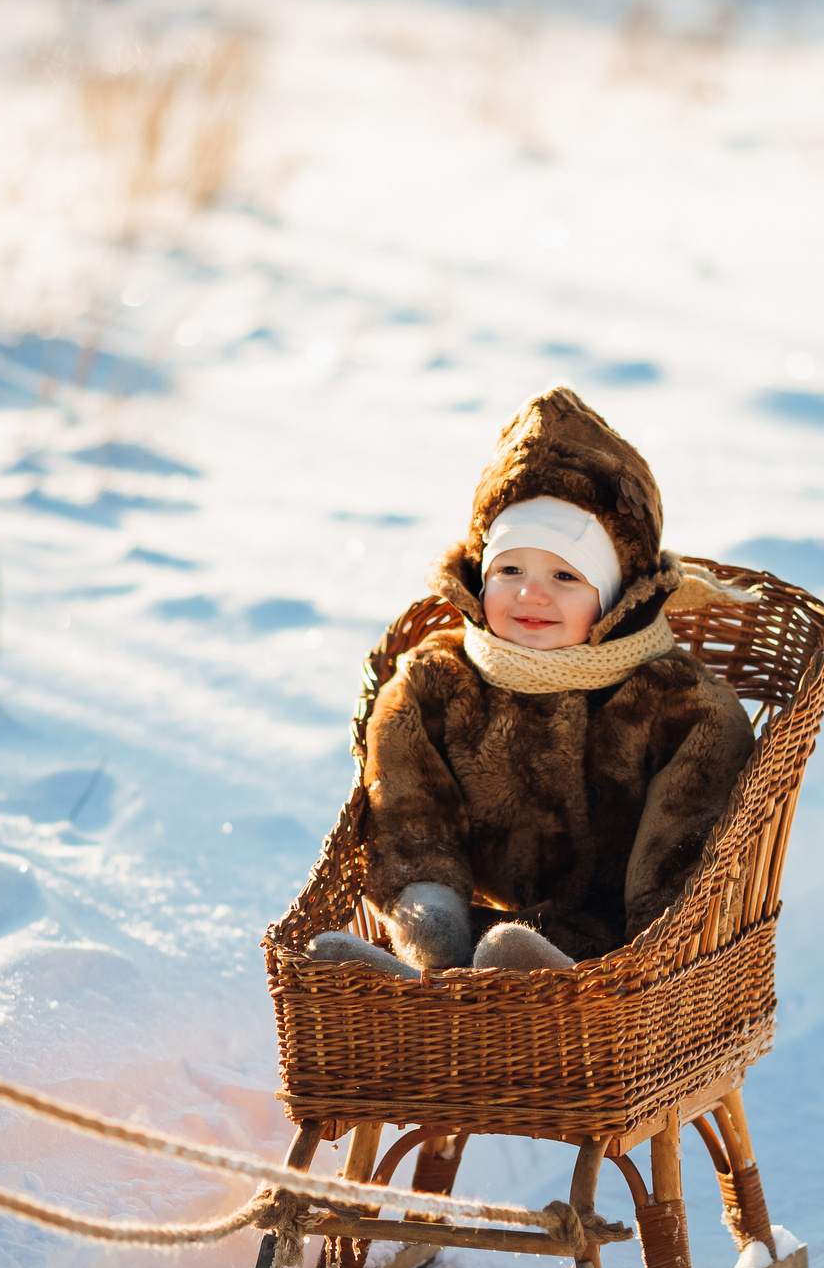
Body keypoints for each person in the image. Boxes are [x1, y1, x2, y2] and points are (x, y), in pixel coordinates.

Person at [310, 386, 756, 978]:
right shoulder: (437, 677)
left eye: (567, 575)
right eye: (510, 569)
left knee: (512, 953)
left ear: (616, 596)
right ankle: (420, 972)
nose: (531, 593)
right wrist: (431, 906)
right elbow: (407, 800)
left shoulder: (672, 699)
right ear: (480, 576)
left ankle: (532, 980)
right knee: (470, 940)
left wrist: (659, 941)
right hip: (474, 921)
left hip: (615, 944)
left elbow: (687, 832)